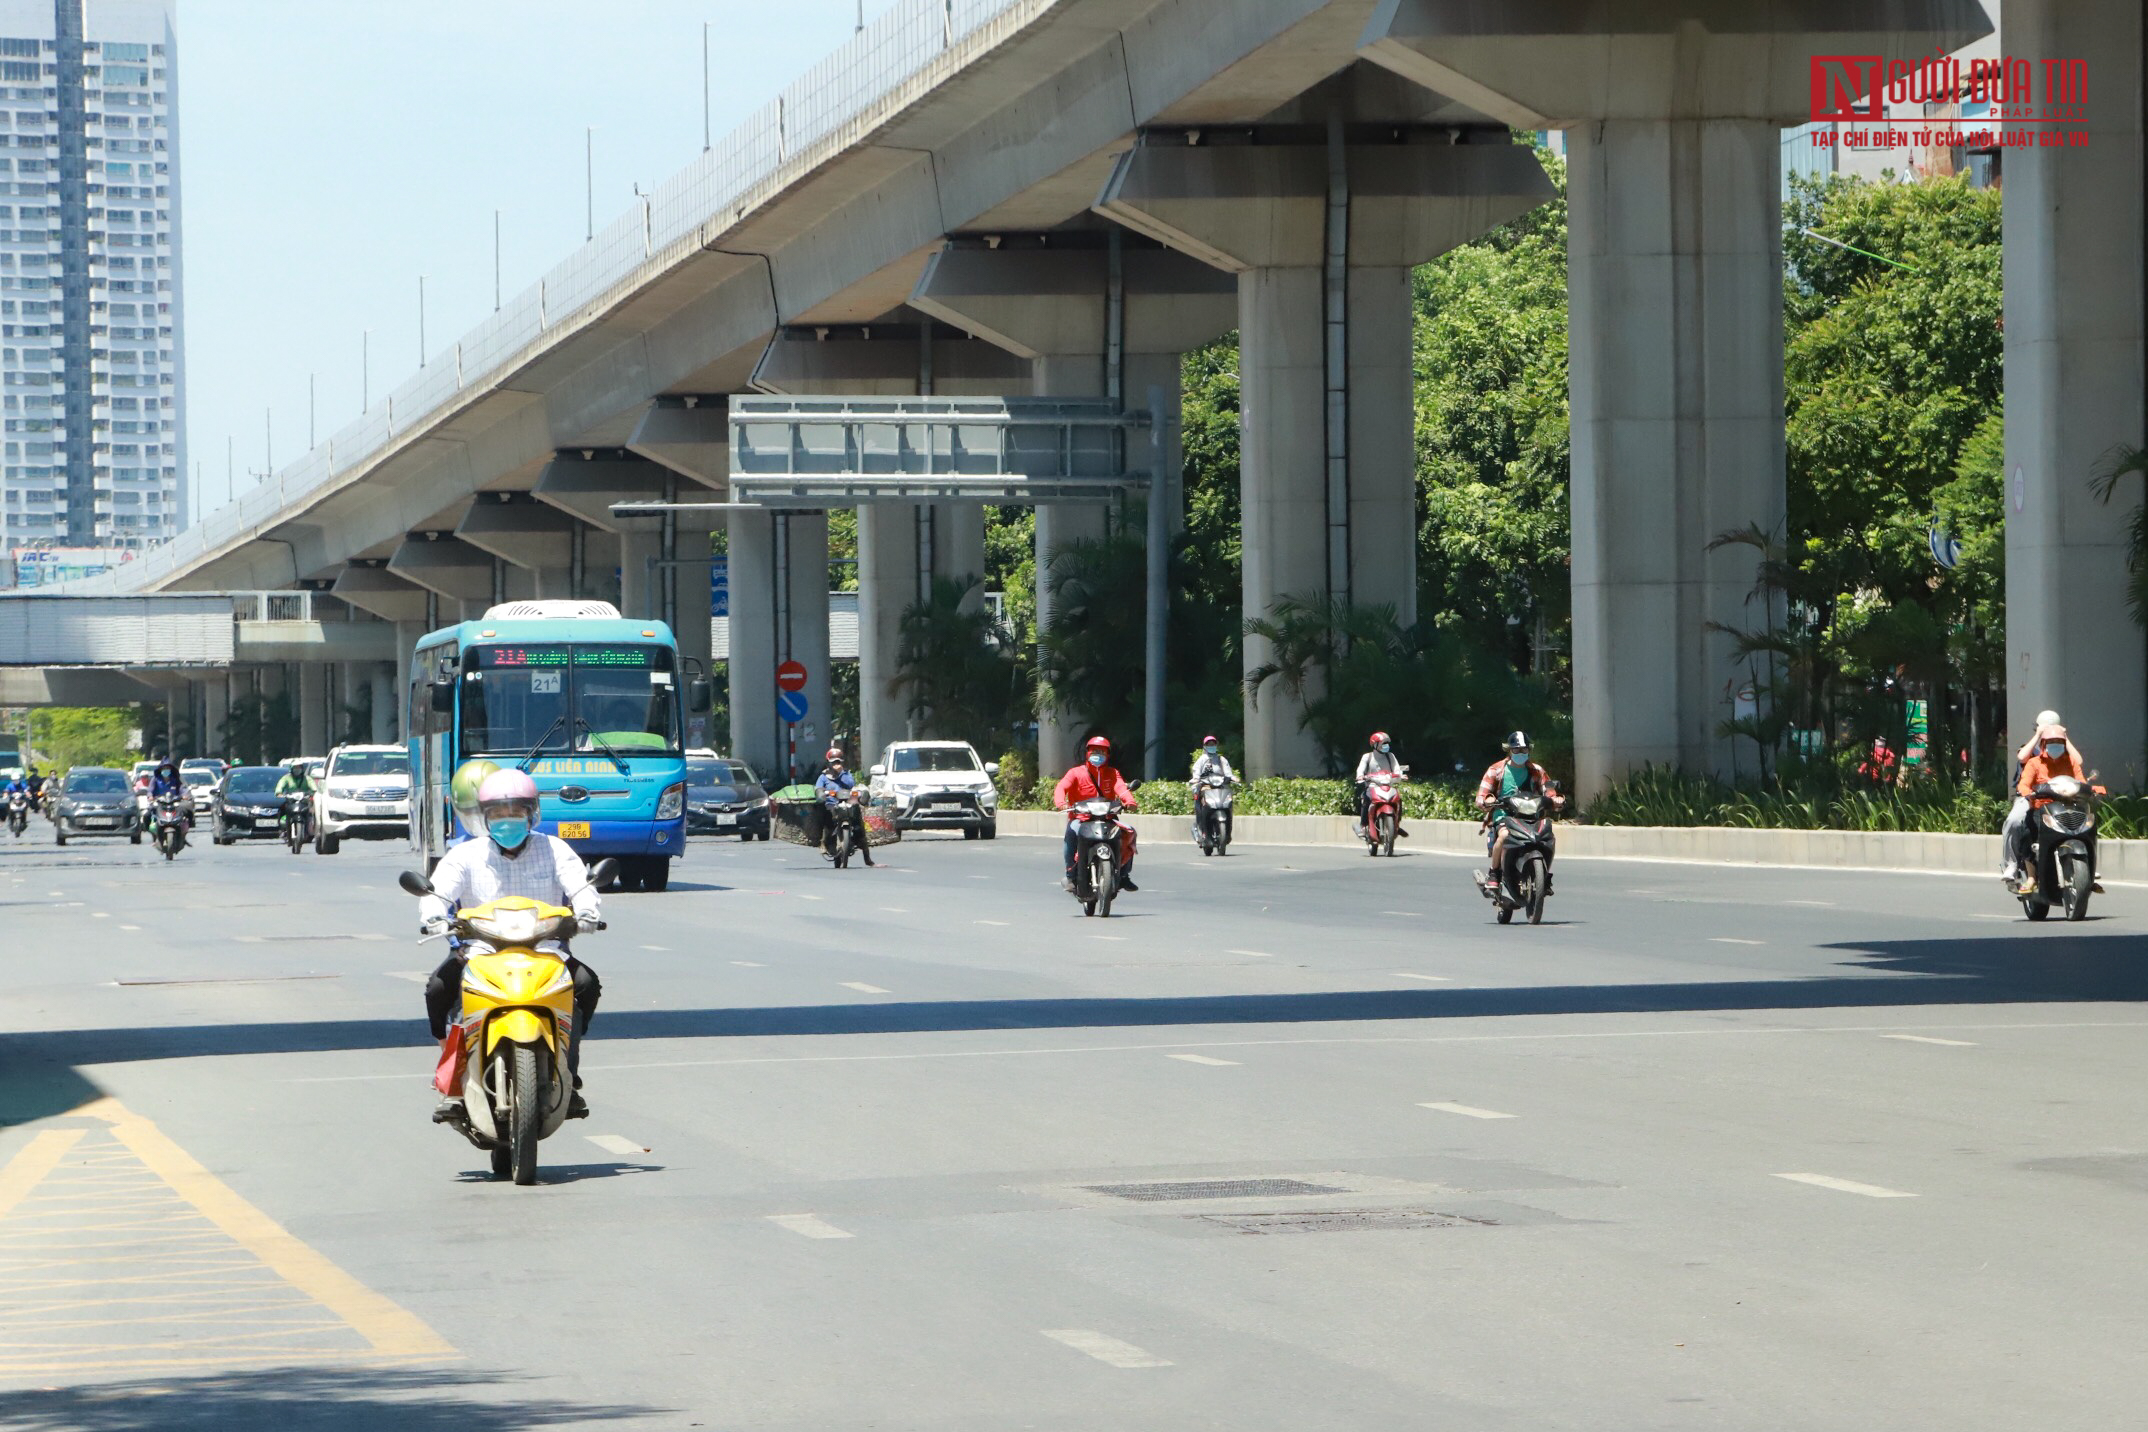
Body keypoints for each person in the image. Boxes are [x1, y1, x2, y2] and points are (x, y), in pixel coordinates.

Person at [418, 769, 602, 1124]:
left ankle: (568, 1071)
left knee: (585, 986)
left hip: (545, 949)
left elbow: (580, 885)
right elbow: (438, 892)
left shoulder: (555, 849)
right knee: (438, 989)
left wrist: (587, 913)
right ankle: (453, 1082)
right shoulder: (465, 855)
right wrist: (434, 916)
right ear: (483, 817)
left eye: (515, 812)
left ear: (531, 813)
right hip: (480, 951)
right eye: (498, 814)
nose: (507, 821)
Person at [1474, 730, 1565, 891]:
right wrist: (1487, 800)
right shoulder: (1496, 770)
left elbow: (1549, 788)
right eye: (1516, 749)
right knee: (1503, 836)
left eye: (1524, 749)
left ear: (1529, 750)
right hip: (1504, 816)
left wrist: (1555, 798)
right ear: (1509, 750)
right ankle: (1494, 873)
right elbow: (1481, 796)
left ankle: (1544, 876)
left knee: (1549, 838)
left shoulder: (1537, 770)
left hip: (1532, 817)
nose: (1520, 753)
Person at [1999, 710, 2084, 881]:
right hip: (2032, 796)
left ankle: (2082, 862)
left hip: (2060, 798)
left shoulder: (2064, 751)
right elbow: (2022, 757)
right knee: (2015, 822)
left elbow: (2079, 763)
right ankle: (2012, 864)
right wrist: (2039, 735)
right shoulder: (2033, 749)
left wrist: (2064, 738)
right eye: (2046, 728)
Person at [1054, 735, 1139, 893]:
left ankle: (1124, 875)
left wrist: (1130, 801)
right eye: (1094, 751)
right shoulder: (1075, 773)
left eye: (1102, 752)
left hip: (1108, 818)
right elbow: (1061, 787)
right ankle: (1070, 875)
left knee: (1129, 832)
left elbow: (1121, 788)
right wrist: (1061, 803)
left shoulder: (1113, 773)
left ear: (1107, 755)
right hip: (1081, 819)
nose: (1098, 755)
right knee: (1072, 833)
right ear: (1087, 753)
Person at [813, 747, 875, 867]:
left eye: (838, 762)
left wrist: (840, 774)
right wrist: (821, 793)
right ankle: (824, 841)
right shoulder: (823, 777)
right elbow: (818, 789)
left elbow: (850, 784)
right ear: (829, 763)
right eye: (834, 762)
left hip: (847, 803)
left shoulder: (846, 774)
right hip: (831, 804)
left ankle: (867, 857)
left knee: (859, 824)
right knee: (825, 818)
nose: (836, 765)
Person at [1353, 731, 1407, 837]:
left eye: (1386, 743)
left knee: (1398, 800)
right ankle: (1363, 826)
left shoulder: (1390, 756)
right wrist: (1360, 776)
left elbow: (1396, 769)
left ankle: (1396, 824)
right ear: (1375, 744)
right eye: (1383, 743)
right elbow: (1360, 769)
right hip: (1372, 786)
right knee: (1366, 800)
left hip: (1387, 785)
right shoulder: (1367, 757)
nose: (1386, 746)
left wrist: (1400, 775)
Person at [274, 760, 315, 839]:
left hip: (304, 802)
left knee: (312, 813)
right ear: (291, 769)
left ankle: (311, 831)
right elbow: (280, 786)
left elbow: (313, 787)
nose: (297, 770)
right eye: (295, 768)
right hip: (290, 802)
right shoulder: (286, 778)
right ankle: (283, 830)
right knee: (281, 810)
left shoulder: (307, 778)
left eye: (299, 767)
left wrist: (313, 793)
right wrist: (279, 793)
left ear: (302, 769)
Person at [146, 758, 188, 830]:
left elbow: (182, 788)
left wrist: (184, 795)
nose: (166, 770)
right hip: (159, 803)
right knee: (147, 815)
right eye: (164, 768)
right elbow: (150, 790)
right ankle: (154, 836)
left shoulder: (175, 779)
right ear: (160, 769)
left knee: (186, 812)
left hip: (173, 803)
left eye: (168, 768)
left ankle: (182, 837)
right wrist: (150, 796)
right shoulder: (155, 779)